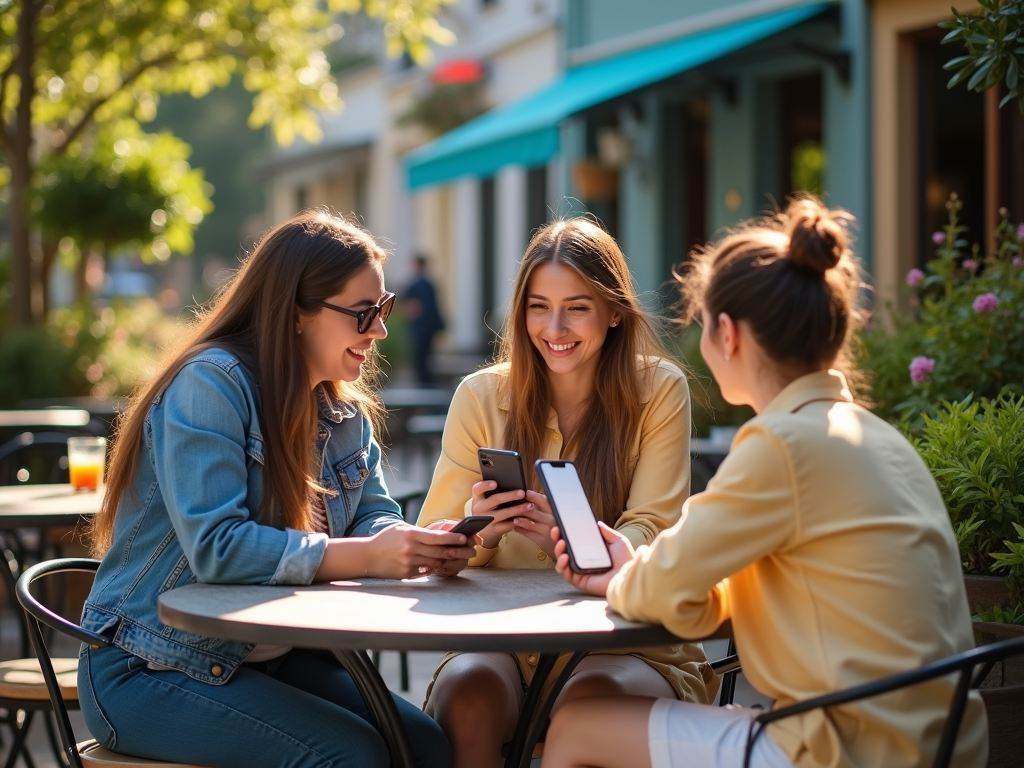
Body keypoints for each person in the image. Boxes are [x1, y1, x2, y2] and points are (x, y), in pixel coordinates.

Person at [542, 198, 988, 768]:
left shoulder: (780, 444)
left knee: (577, 726)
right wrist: (640, 573)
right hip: (935, 744)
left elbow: (663, 586)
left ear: (727, 333)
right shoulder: (876, 438)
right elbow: (730, 588)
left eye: (699, 326)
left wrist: (622, 579)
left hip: (845, 749)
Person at [78, 211, 475, 768]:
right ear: (295, 313)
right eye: (364, 313)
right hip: (148, 666)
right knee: (352, 758)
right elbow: (218, 547)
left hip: (265, 658)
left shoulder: (343, 415)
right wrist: (369, 555)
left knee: (425, 746)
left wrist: (419, 545)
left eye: (383, 309)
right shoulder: (209, 385)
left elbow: (373, 518)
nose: (381, 330)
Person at [416, 218, 717, 768]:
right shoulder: (479, 396)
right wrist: (476, 524)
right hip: (500, 641)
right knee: (466, 699)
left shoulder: (660, 391)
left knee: (587, 702)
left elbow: (652, 527)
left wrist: (575, 534)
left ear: (615, 311)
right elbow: (434, 547)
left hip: (623, 643)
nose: (554, 326)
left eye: (577, 306)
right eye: (538, 306)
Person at [403, 254, 446, 385]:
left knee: (420, 358)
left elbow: (415, 306)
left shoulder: (417, 284)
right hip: (429, 326)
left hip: (421, 327)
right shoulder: (430, 283)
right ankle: (427, 383)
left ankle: (425, 384)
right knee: (426, 357)